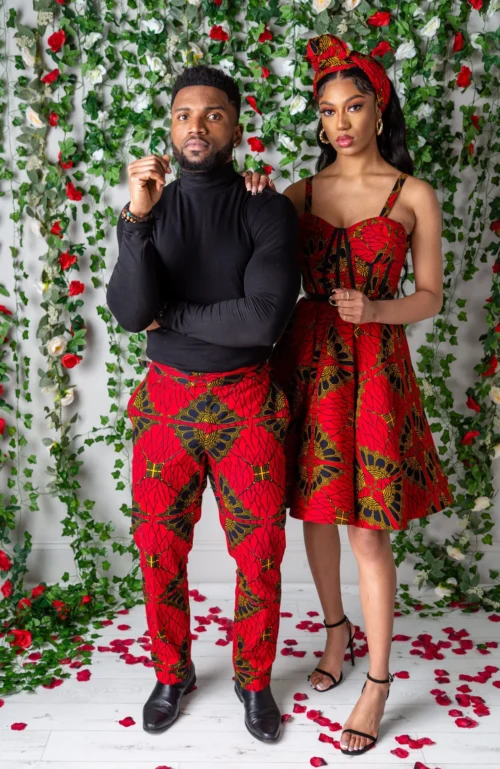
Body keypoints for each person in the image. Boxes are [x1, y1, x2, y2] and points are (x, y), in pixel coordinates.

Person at [269, 35, 453, 756]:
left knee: (368, 529)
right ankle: (335, 631)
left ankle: (377, 681)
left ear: (380, 109)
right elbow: (250, 259)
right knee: (316, 512)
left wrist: (376, 309)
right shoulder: (298, 195)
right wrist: (249, 196)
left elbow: (431, 297)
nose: (340, 122)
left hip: (375, 363)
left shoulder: (414, 195)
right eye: (327, 111)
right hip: (310, 361)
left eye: (353, 106)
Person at [106, 64, 301, 742]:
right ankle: (172, 672)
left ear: (235, 128)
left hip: (247, 399)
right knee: (159, 546)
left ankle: (254, 679)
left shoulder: (265, 207)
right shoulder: (149, 209)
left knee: (261, 549)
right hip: (166, 400)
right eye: (185, 114)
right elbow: (131, 312)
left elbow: (262, 320)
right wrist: (136, 218)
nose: (197, 126)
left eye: (213, 114)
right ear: (170, 125)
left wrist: (173, 315)